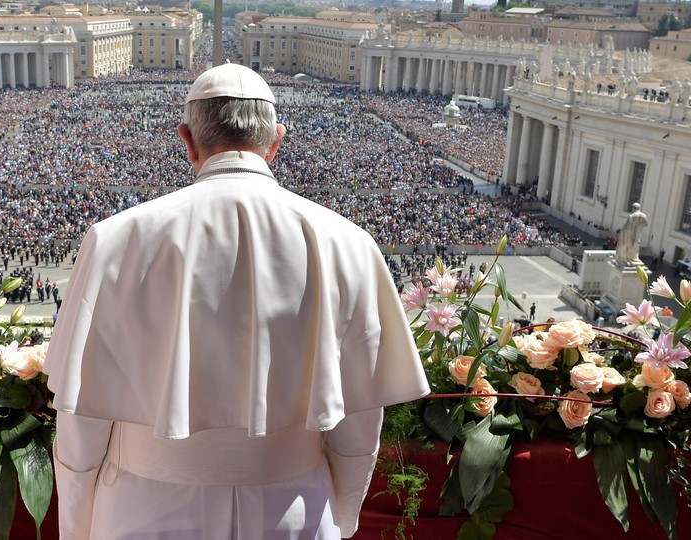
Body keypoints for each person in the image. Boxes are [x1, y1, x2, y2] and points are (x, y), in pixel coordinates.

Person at [44, 63, 430, 539]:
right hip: (295, 510)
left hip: (144, 509)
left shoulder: (115, 239)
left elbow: (81, 424)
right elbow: (357, 426)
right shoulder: (348, 242)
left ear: (187, 140)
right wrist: (341, 513)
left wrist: (78, 525)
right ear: (276, 141)